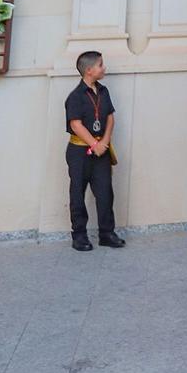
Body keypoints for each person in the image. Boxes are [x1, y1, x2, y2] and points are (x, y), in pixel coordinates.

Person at [64, 51, 124, 252]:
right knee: (78, 193)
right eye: (100, 65)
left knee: (105, 192)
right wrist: (93, 144)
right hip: (80, 152)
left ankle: (106, 233)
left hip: (101, 150)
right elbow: (76, 124)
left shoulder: (104, 91)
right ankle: (79, 235)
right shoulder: (75, 96)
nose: (104, 68)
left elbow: (109, 118)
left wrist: (104, 142)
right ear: (89, 71)